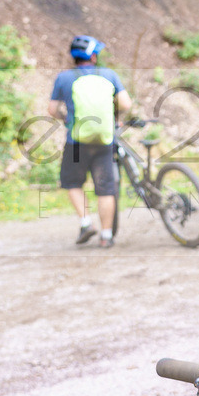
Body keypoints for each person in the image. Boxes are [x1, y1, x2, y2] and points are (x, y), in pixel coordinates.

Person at [48, 35, 131, 248]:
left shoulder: (64, 78)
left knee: (72, 182)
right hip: (104, 140)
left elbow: (51, 109)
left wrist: (66, 118)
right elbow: (125, 104)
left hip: (76, 143)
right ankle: (106, 236)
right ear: (93, 56)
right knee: (106, 189)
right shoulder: (109, 75)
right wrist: (115, 119)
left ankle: (86, 223)